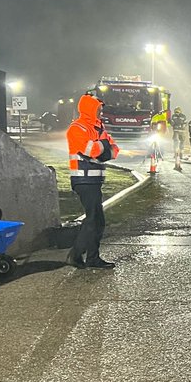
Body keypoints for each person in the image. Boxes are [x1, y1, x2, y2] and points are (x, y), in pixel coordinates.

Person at [65, 93, 120, 269]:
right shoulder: (77, 128)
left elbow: (114, 150)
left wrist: (102, 148)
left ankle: (91, 258)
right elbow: (93, 151)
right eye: (98, 109)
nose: (101, 112)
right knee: (93, 219)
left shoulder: (99, 128)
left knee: (97, 221)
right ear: (90, 109)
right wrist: (103, 147)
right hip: (83, 180)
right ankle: (77, 255)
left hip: (94, 180)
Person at [169, 106, 188, 171]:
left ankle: (177, 154)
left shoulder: (174, 116)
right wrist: (182, 126)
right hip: (180, 131)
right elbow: (185, 123)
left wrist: (172, 123)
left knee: (176, 142)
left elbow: (172, 123)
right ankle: (179, 154)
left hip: (177, 131)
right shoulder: (182, 116)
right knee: (179, 142)